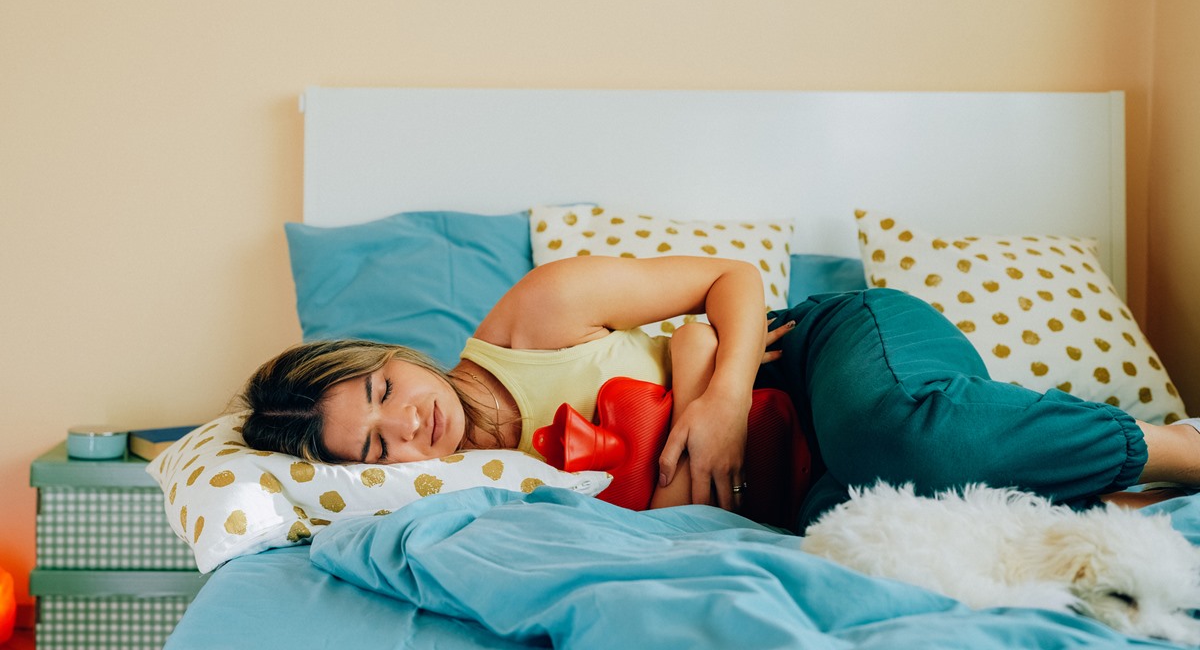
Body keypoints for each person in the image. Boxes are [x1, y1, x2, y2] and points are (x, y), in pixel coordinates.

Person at [241, 255, 1200, 529]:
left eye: (380, 386)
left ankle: (1177, 448)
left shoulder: (535, 315)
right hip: (798, 485)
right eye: (375, 447)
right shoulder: (479, 504)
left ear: (390, 353)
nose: (406, 419)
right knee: (872, 531)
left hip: (816, 354)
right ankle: (1122, 502)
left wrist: (726, 391)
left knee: (895, 436)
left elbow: (727, 284)